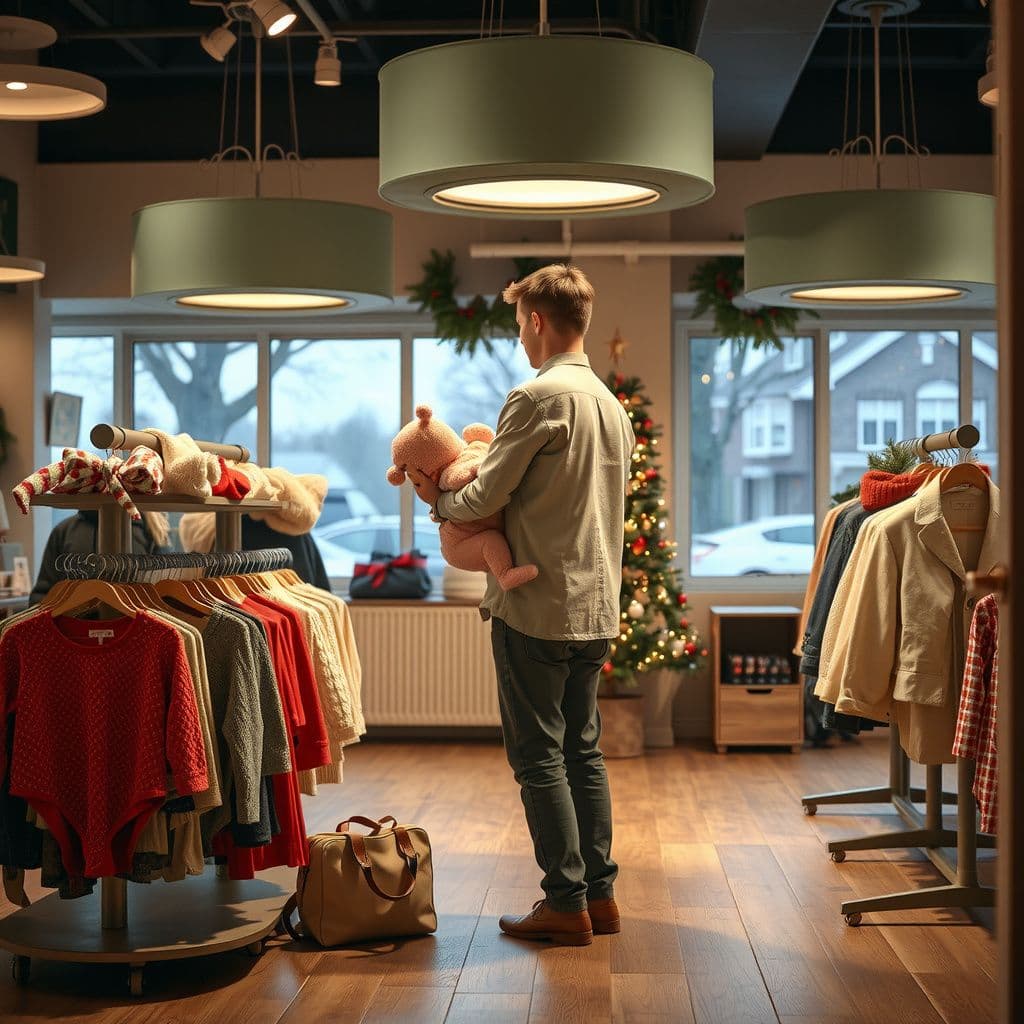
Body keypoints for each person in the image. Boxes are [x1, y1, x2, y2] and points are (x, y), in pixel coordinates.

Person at [405, 264, 634, 947]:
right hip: (595, 607)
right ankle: (599, 897)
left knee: (539, 758)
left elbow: (486, 493)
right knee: (583, 752)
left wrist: (439, 501)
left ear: (536, 320)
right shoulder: (610, 404)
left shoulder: (536, 398)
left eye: (518, 325)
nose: (519, 338)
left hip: (535, 604)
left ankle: (565, 903)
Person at [29, 510, 171, 604]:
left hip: (139, 631)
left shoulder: (152, 529)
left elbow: (165, 594)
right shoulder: (64, 531)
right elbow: (42, 595)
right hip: (72, 633)